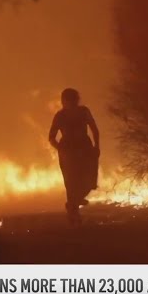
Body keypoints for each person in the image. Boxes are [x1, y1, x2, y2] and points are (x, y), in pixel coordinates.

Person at [48, 88, 100, 225]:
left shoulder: (84, 112)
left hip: (84, 150)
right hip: (69, 153)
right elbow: (51, 137)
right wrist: (62, 149)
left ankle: (74, 203)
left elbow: (94, 129)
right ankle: (74, 215)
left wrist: (96, 147)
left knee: (89, 181)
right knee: (71, 184)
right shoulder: (60, 116)